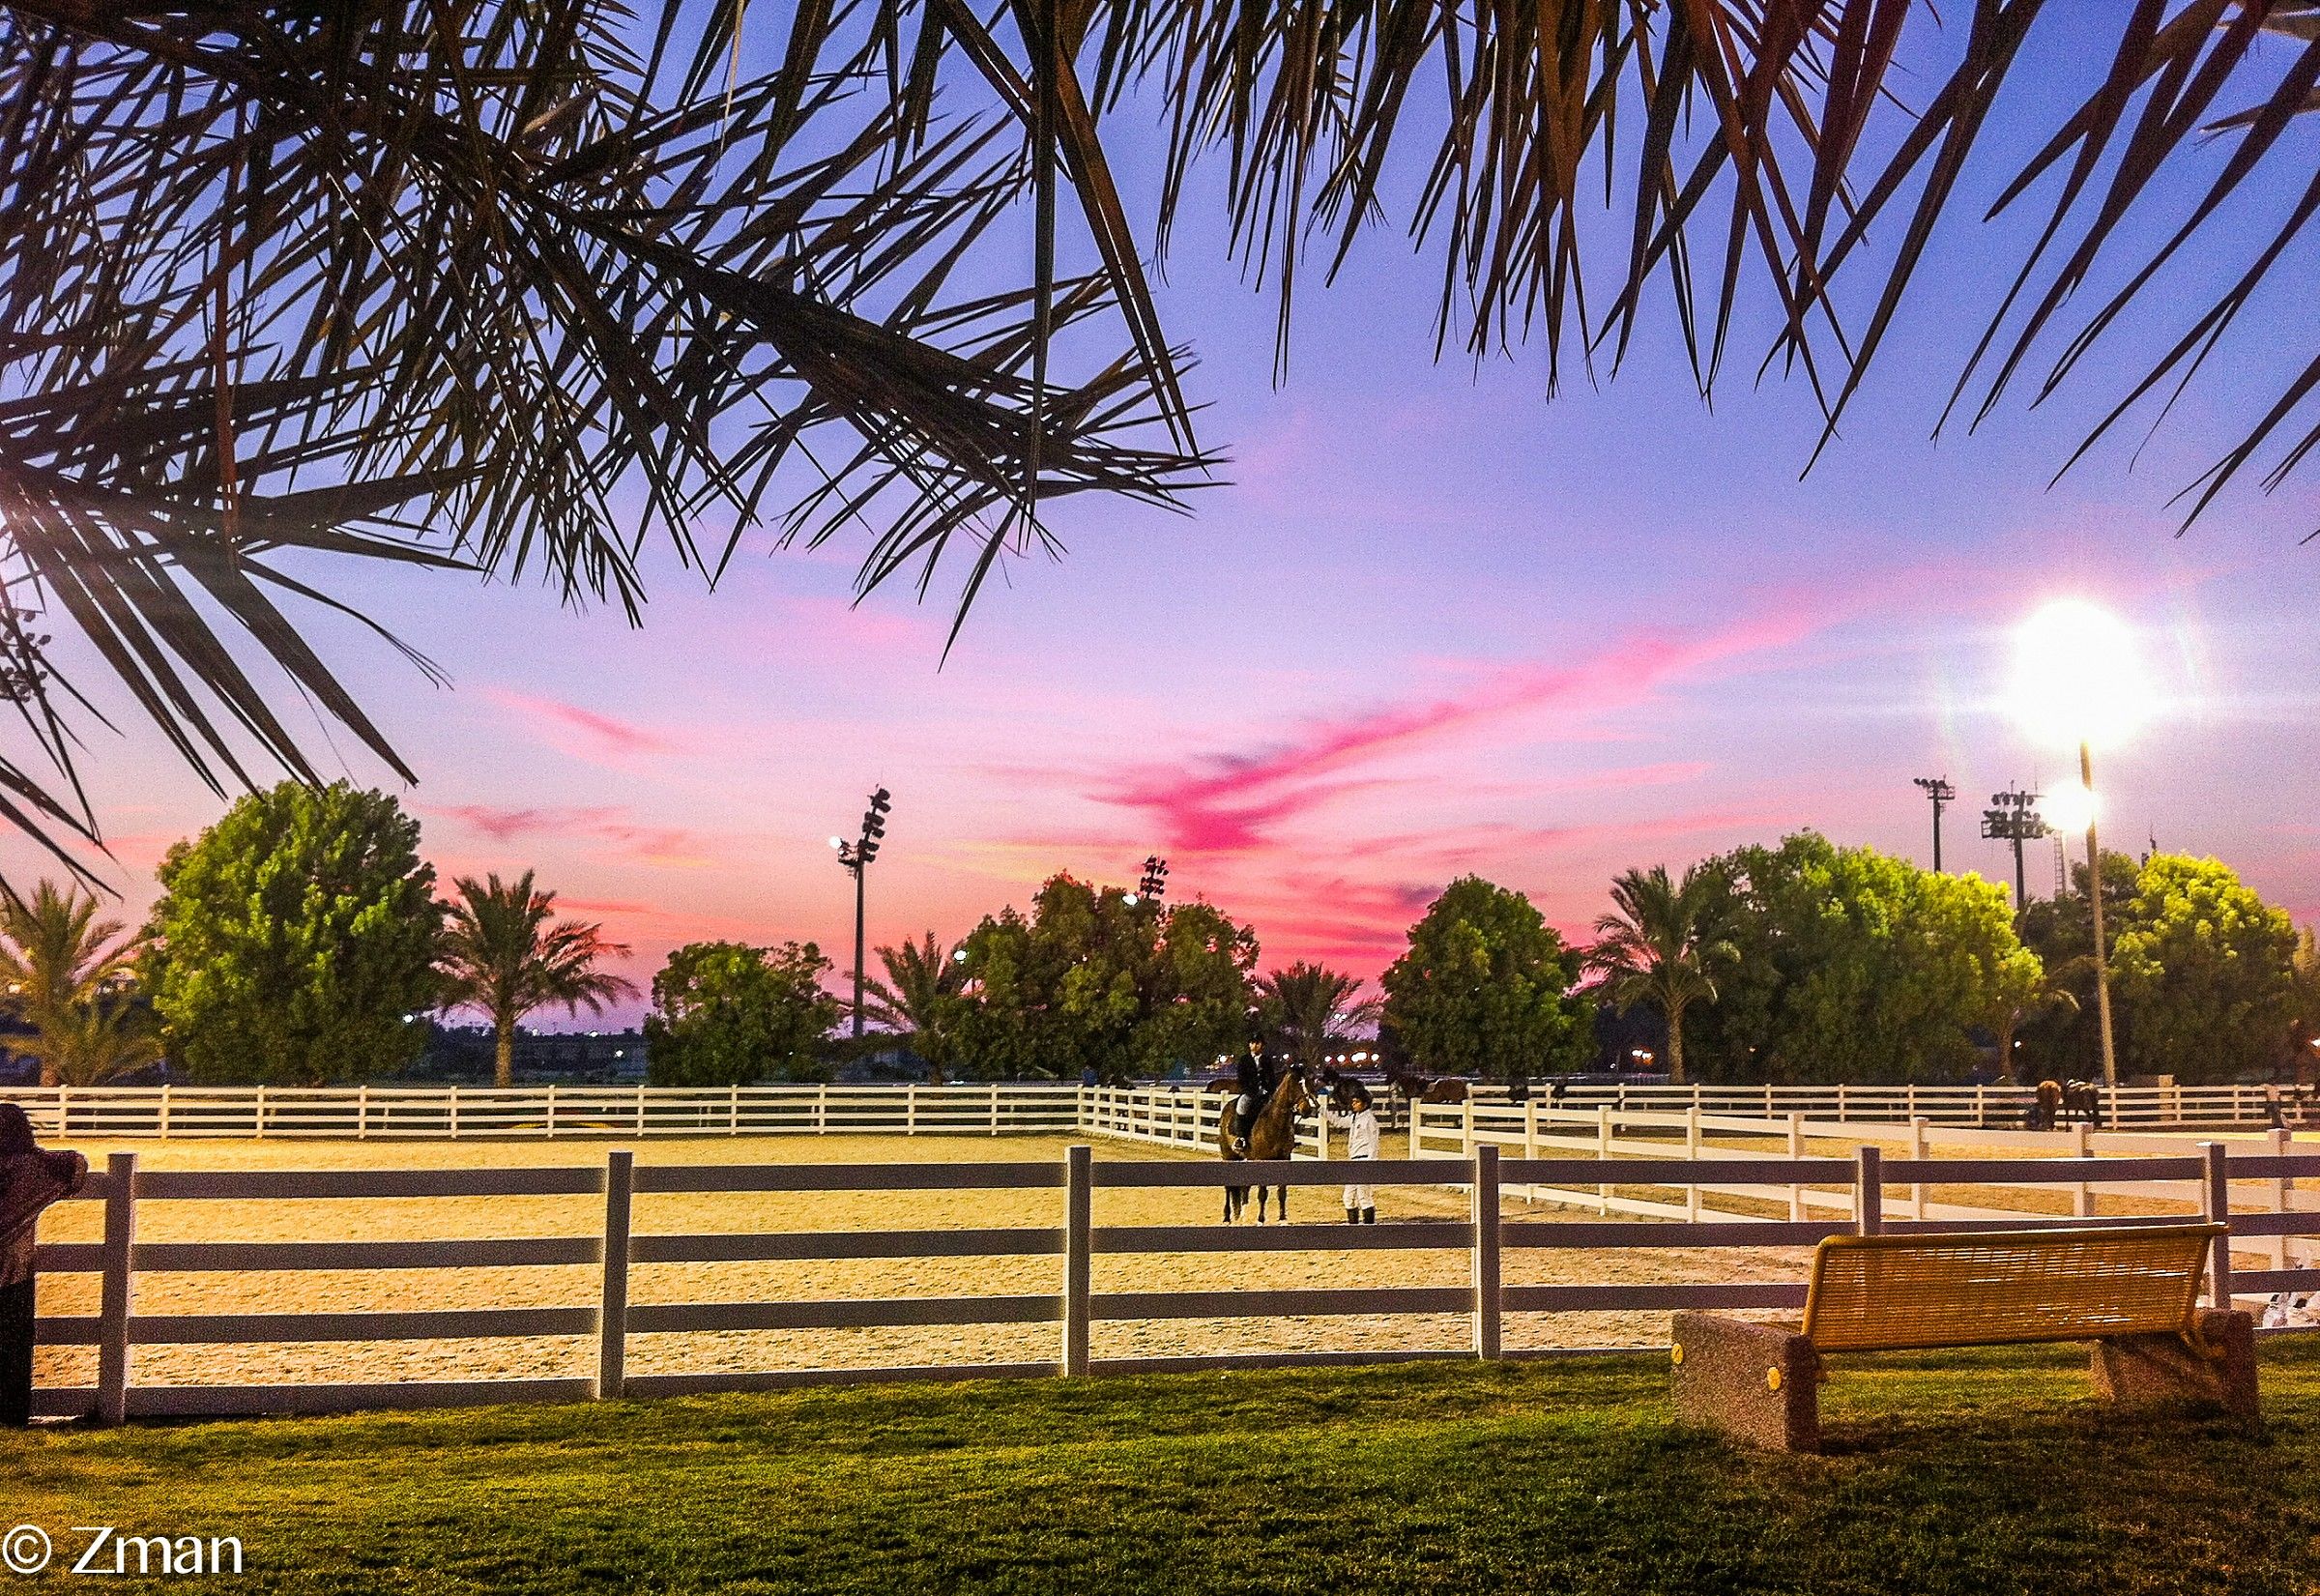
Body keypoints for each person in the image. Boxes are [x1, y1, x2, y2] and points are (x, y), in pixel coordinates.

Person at [1, 1102, 88, 1428]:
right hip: (13, 1271)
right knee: (14, 1347)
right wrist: (35, 1152)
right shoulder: (36, 1170)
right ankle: (11, 1415)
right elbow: (77, 1166)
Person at [1325, 1082, 1380, 1224]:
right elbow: (1339, 1122)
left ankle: (1369, 1229)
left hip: (1364, 1161)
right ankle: (1353, 1228)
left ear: (1365, 1104)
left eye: (1357, 1102)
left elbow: (1373, 1143)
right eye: (1353, 1102)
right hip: (1354, 1161)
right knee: (1348, 1197)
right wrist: (1322, 1111)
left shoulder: (1369, 1120)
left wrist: (1371, 1163)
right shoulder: (1355, 1118)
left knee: (1364, 1197)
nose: (1353, 1104)